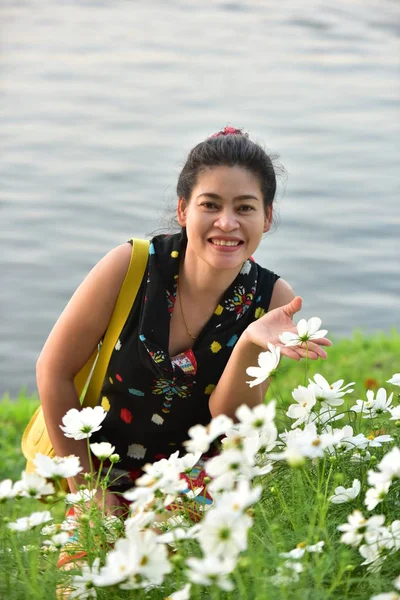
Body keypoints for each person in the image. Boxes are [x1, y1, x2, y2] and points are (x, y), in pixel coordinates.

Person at [36, 126, 331, 520]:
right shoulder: (131, 267)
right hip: (103, 471)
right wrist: (89, 490)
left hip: (196, 484)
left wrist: (249, 345)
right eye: (210, 205)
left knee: (169, 571)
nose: (227, 223)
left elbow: (231, 425)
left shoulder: (271, 299)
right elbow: (53, 371)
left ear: (267, 217)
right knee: (80, 582)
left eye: (244, 207)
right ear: (183, 210)